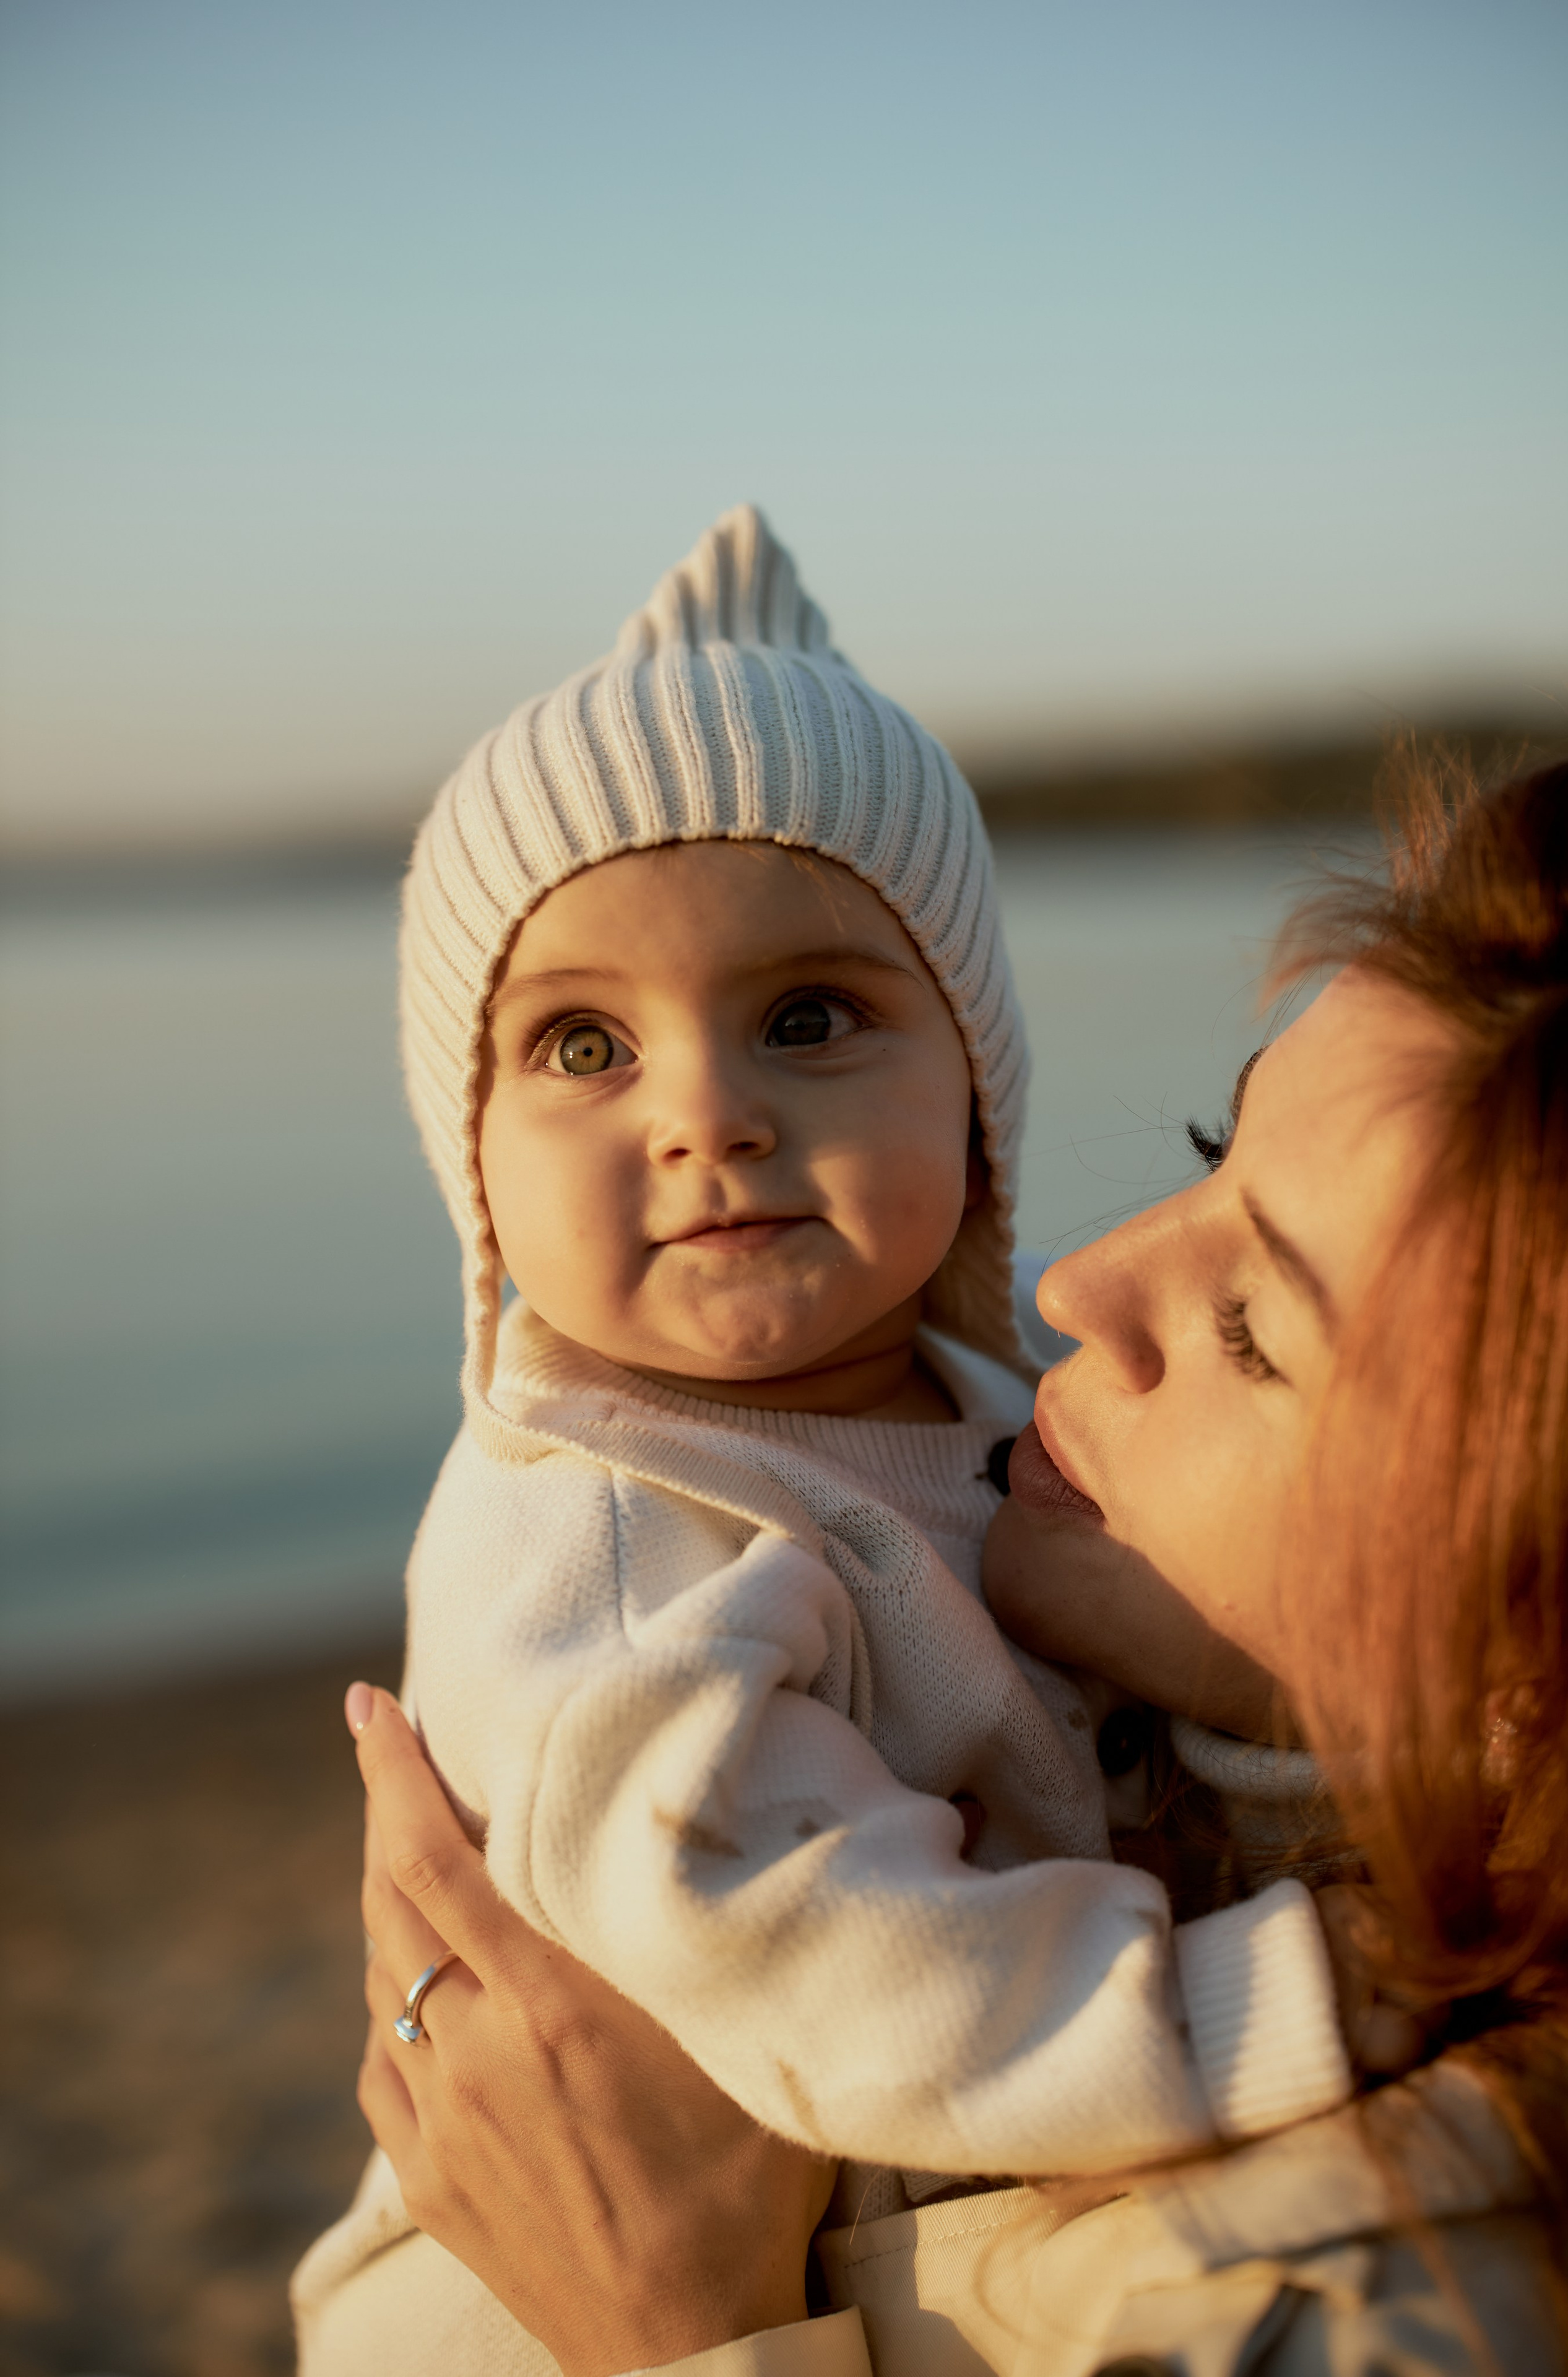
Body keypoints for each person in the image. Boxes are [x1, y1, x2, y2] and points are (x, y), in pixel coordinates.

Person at [341, 755, 1568, 2375]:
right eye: (1215, 1149)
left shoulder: (1393, 2304)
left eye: (1247, 1330)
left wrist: (692, 2341)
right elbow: (747, 1920)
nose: (1080, 1285)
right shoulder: (621, 1549)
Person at [292, 506, 1360, 2369]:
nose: (707, 1114)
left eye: (807, 1017)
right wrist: (1289, 2001)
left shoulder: (990, 1424)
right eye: (578, 1047)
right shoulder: (605, 1541)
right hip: (532, 2307)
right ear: (466, 1155)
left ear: (978, 1084)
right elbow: (802, 1950)